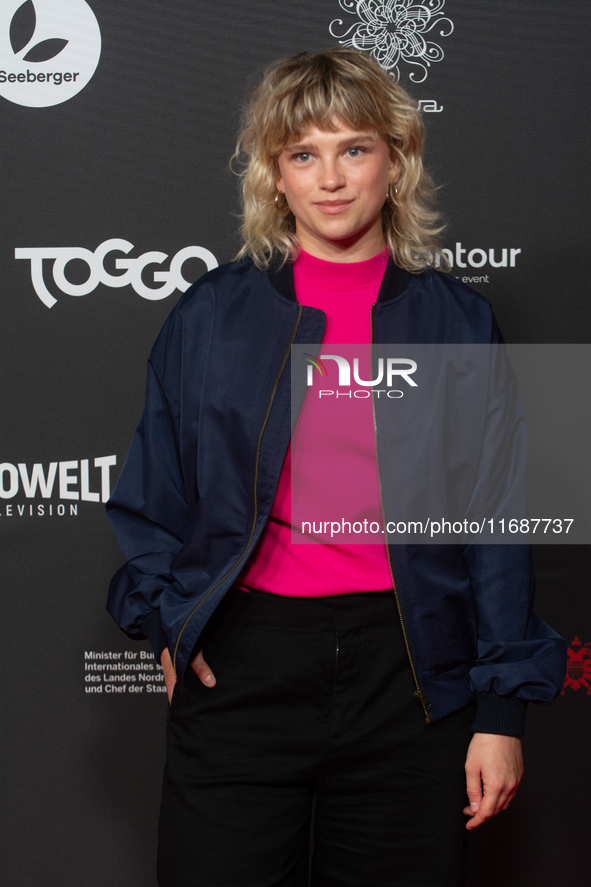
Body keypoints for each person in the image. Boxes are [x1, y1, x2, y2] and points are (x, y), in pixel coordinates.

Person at [106, 49, 566, 887]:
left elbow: (498, 519)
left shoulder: (456, 321)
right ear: (274, 175)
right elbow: (152, 491)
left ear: (395, 162)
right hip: (245, 663)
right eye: (302, 154)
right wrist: (169, 619)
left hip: (411, 669)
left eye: (353, 148)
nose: (329, 178)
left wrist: (501, 712)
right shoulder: (214, 312)